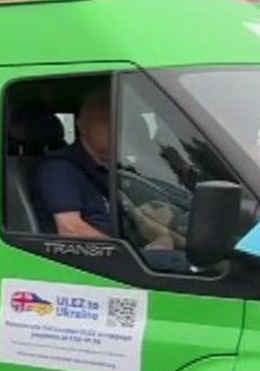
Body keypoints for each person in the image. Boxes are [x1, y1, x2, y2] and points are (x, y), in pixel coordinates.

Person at [32, 84, 186, 270]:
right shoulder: (60, 169)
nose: (115, 128)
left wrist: (163, 237)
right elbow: (71, 229)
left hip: (124, 251)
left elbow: (137, 216)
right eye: (106, 120)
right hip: (94, 265)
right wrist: (130, 257)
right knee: (185, 265)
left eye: (120, 121)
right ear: (82, 125)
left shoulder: (114, 168)